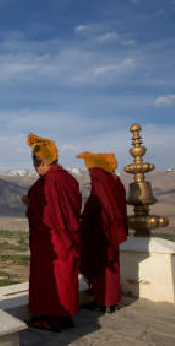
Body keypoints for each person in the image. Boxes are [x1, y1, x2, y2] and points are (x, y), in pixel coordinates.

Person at [22, 133, 82, 332]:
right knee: (65, 276)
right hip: (68, 237)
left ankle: (52, 319)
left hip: (52, 240)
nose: (34, 166)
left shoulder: (50, 183)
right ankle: (66, 317)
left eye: (35, 161)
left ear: (41, 161)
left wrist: (30, 203)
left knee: (52, 277)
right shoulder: (68, 179)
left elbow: (47, 212)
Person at [77, 151, 128, 313]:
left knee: (102, 268)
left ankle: (103, 302)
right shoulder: (116, 182)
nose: (90, 175)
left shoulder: (101, 181)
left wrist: (84, 218)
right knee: (112, 265)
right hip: (112, 232)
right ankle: (112, 302)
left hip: (101, 233)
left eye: (90, 171)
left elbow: (101, 206)